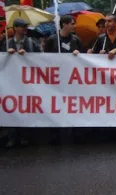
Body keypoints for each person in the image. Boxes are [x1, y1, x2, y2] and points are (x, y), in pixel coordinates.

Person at [44, 15, 82, 144]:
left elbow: (84, 59)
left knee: (71, 105)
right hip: (56, 80)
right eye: (72, 23)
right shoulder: (52, 39)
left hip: (72, 80)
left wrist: (79, 54)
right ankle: (54, 133)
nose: (74, 26)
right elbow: (44, 58)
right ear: (64, 24)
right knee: (56, 105)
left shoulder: (76, 39)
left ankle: (73, 131)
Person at [3, 19, 40, 147]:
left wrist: (29, 55)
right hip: (11, 81)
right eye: (22, 26)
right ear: (15, 28)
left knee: (26, 108)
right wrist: (6, 54)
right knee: (11, 108)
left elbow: (41, 58)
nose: (25, 29)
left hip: (27, 82)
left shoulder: (31, 43)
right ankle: (12, 137)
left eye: (25, 26)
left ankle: (25, 136)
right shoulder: (7, 43)